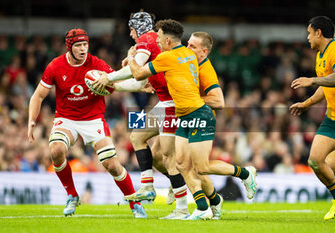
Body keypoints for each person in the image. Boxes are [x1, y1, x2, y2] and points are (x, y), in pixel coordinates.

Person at [125, 19, 257, 220]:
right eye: (188, 44)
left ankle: (240, 177)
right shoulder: (184, 56)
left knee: (196, 167)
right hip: (176, 110)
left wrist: (130, 59)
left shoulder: (203, 67)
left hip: (196, 114)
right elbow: (169, 76)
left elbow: (219, 101)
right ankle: (194, 198)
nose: (188, 48)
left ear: (204, 52)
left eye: (193, 46)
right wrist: (154, 85)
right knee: (170, 157)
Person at [27, 28, 147, 218]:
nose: (83, 49)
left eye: (85, 44)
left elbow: (114, 82)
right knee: (56, 151)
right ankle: (72, 195)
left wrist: (138, 86)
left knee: (113, 165)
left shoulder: (97, 64)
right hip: (66, 119)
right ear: (69, 47)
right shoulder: (55, 66)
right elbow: (38, 95)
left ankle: (134, 202)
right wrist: (31, 121)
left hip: (94, 119)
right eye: (78, 45)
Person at [92, 10, 191, 219]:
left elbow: (132, 71)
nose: (130, 34)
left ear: (138, 27)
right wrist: (114, 86)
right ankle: (148, 186)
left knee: (168, 158)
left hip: (173, 104)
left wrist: (108, 79)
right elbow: (139, 81)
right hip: (167, 103)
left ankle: (183, 207)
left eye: (131, 29)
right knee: (137, 136)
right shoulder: (154, 42)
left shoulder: (147, 39)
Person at [289, 16, 335, 220]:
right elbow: (326, 86)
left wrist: (312, 80)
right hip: (332, 119)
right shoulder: (320, 55)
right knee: (316, 161)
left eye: (309, 33)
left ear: (318, 32)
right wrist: (306, 104)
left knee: (330, 164)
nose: (307, 37)